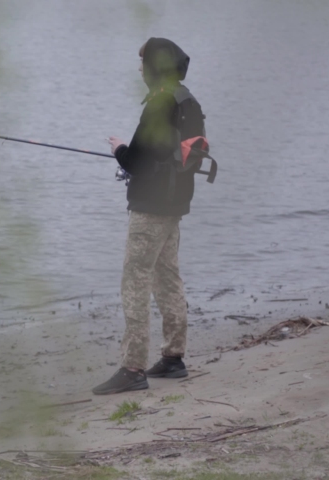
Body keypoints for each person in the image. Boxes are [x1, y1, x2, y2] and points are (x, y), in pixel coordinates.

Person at [93, 37, 206, 395]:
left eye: (142, 63)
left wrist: (118, 148)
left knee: (135, 280)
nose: (139, 70)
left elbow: (136, 162)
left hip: (151, 208)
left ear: (154, 68)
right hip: (175, 205)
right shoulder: (187, 100)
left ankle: (132, 367)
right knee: (167, 274)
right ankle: (174, 357)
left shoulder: (159, 104)